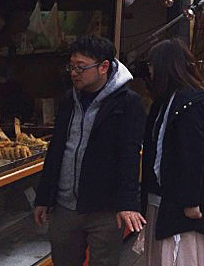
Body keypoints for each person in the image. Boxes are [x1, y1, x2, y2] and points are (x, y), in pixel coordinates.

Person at [34, 35, 146, 266]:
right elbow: (56, 149)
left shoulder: (127, 102)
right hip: (64, 205)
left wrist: (127, 203)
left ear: (104, 66)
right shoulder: (68, 100)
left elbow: (129, 153)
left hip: (104, 207)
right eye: (72, 66)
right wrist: (43, 197)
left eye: (81, 67)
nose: (74, 73)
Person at [141, 39, 204, 266]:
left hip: (180, 206)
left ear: (164, 66)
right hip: (162, 201)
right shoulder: (165, 102)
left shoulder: (187, 104)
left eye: (152, 65)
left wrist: (191, 202)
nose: (150, 71)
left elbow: (194, 155)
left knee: (180, 257)